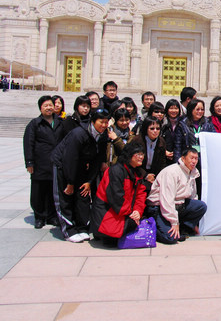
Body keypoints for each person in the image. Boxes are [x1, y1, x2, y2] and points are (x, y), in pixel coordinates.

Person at [52, 109, 110, 242]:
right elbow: (70, 158)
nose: (104, 125)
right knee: (64, 197)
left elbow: (98, 160)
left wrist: (89, 181)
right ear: (93, 121)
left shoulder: (103, 135)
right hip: (63, 165)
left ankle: (83, 227)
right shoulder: (79, 134)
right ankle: (69, 230)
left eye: (106, 122)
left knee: (83, 196)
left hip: (82, 166)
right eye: (101, 122)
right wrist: (70, 182)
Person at [146, 148, 207, 244]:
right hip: (159, 206)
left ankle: (183, 228)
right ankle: (152, 225)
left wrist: (194, 223)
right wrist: (174, 222)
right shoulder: (172, 172)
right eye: (191, 158)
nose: (194, 161)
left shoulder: (193, 172)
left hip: (178, 205)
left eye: (196, 159)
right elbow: (166, 200)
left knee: (201, 206)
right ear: (183, 158)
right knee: (170, 238)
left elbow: (193, 196)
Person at [91, 142, 147, 246]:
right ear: (129, 155)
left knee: (135, 222)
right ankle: (103, 234)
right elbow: (116, 199)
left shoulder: (137, 172)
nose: (141, 157)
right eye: (138, 154)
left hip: (124, 212)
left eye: (142, 154)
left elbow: (141, 194)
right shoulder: (116, 171)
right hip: (108, 212)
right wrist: (131, 213)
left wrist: (137, 211)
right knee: (114, 239)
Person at [23, 96, 65, 228]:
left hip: (56, 163)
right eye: (45, 106)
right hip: (40, 163)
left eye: (50, 105)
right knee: (38, 191)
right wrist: (29, 162)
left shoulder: (60, 122)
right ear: (40, 108)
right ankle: (39, 216)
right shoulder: (35, 123)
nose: (48, 108)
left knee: (53, 191)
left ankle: (52, 216)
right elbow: (28, 144)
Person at [174, 99, 215, 198]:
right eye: (197, 109)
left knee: (201, 186)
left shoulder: (207, 123)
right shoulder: (182, 124)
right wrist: (177, 162)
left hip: (202, 160)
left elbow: (213, 139)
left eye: (202, 109)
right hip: (187, 161)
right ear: (191, 109)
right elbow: (178, 145)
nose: (200, 112)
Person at [136, 117, 167, 186]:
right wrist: (145, 175)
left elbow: (162, 163)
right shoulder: (137, 140)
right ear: (146, 129)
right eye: (152, 129)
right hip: (138, 172)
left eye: (158, 129)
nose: (155, 131)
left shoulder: (161, 142)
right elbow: (132, 161)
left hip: (154, 175)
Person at [163, 99, 183, 165]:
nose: (174, 111)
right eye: (171, 108)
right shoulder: (163, 123)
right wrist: (164, 151)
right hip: (164, 157)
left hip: (179, 156)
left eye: (176, 108)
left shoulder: (182, 123)